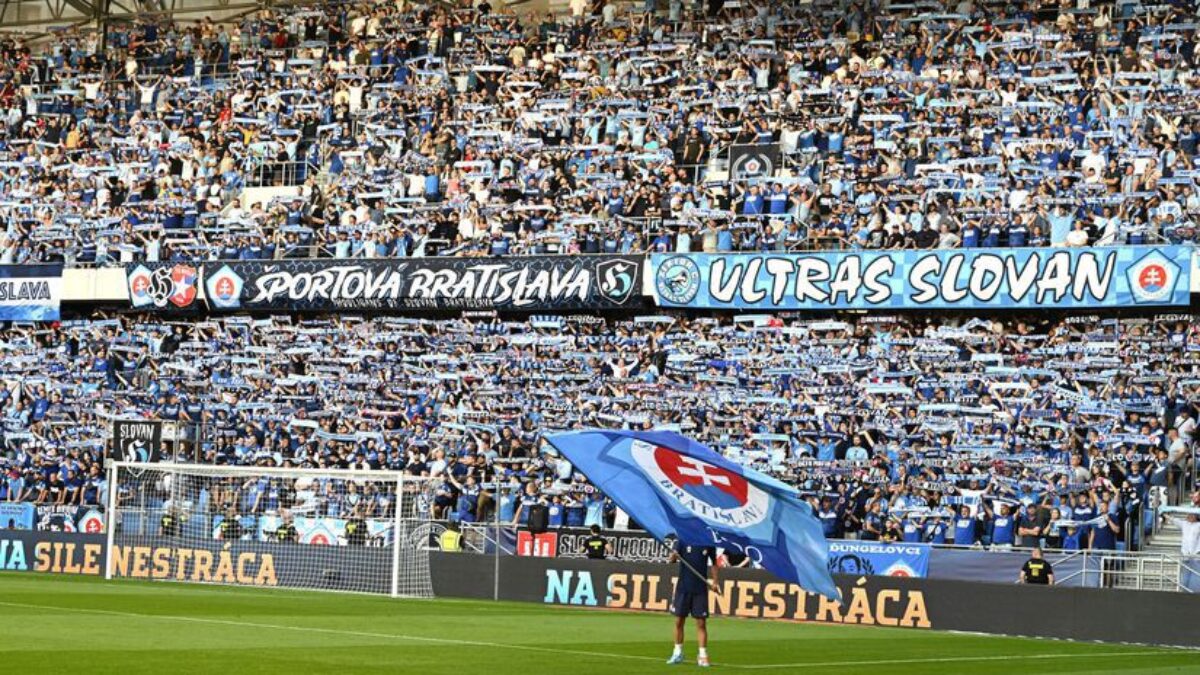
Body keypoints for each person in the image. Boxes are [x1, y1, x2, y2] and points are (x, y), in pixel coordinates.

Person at [667, 539, 718, 667]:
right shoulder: (682, 540)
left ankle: (702, 655)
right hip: (683, 588)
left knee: (701, 623)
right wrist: (674, 556)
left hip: (700, 589)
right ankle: (677, 652)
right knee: (679, 621)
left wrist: (715, 582)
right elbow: (671, 560)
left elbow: (714, 563)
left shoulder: (707, 541)